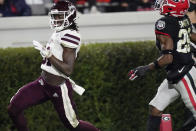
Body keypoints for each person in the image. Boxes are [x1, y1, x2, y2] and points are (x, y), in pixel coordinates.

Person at [7, 1, 100, 131]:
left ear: (70, 16)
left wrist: (49, 55)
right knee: (14, 108)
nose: (56, 19)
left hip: (58, 88)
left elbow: (68, 70)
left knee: (74, 125)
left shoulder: (70, 35)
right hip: (42, 83)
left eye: (59, 16)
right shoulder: (59, 32)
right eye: (54, 16)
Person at [128, 0, 196, 130]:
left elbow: (167, 58)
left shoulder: (164, 23)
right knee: (155, 108)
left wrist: (146, 68)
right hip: (176, 73)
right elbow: (191, 36)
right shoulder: (184, 18)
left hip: (183, 74)